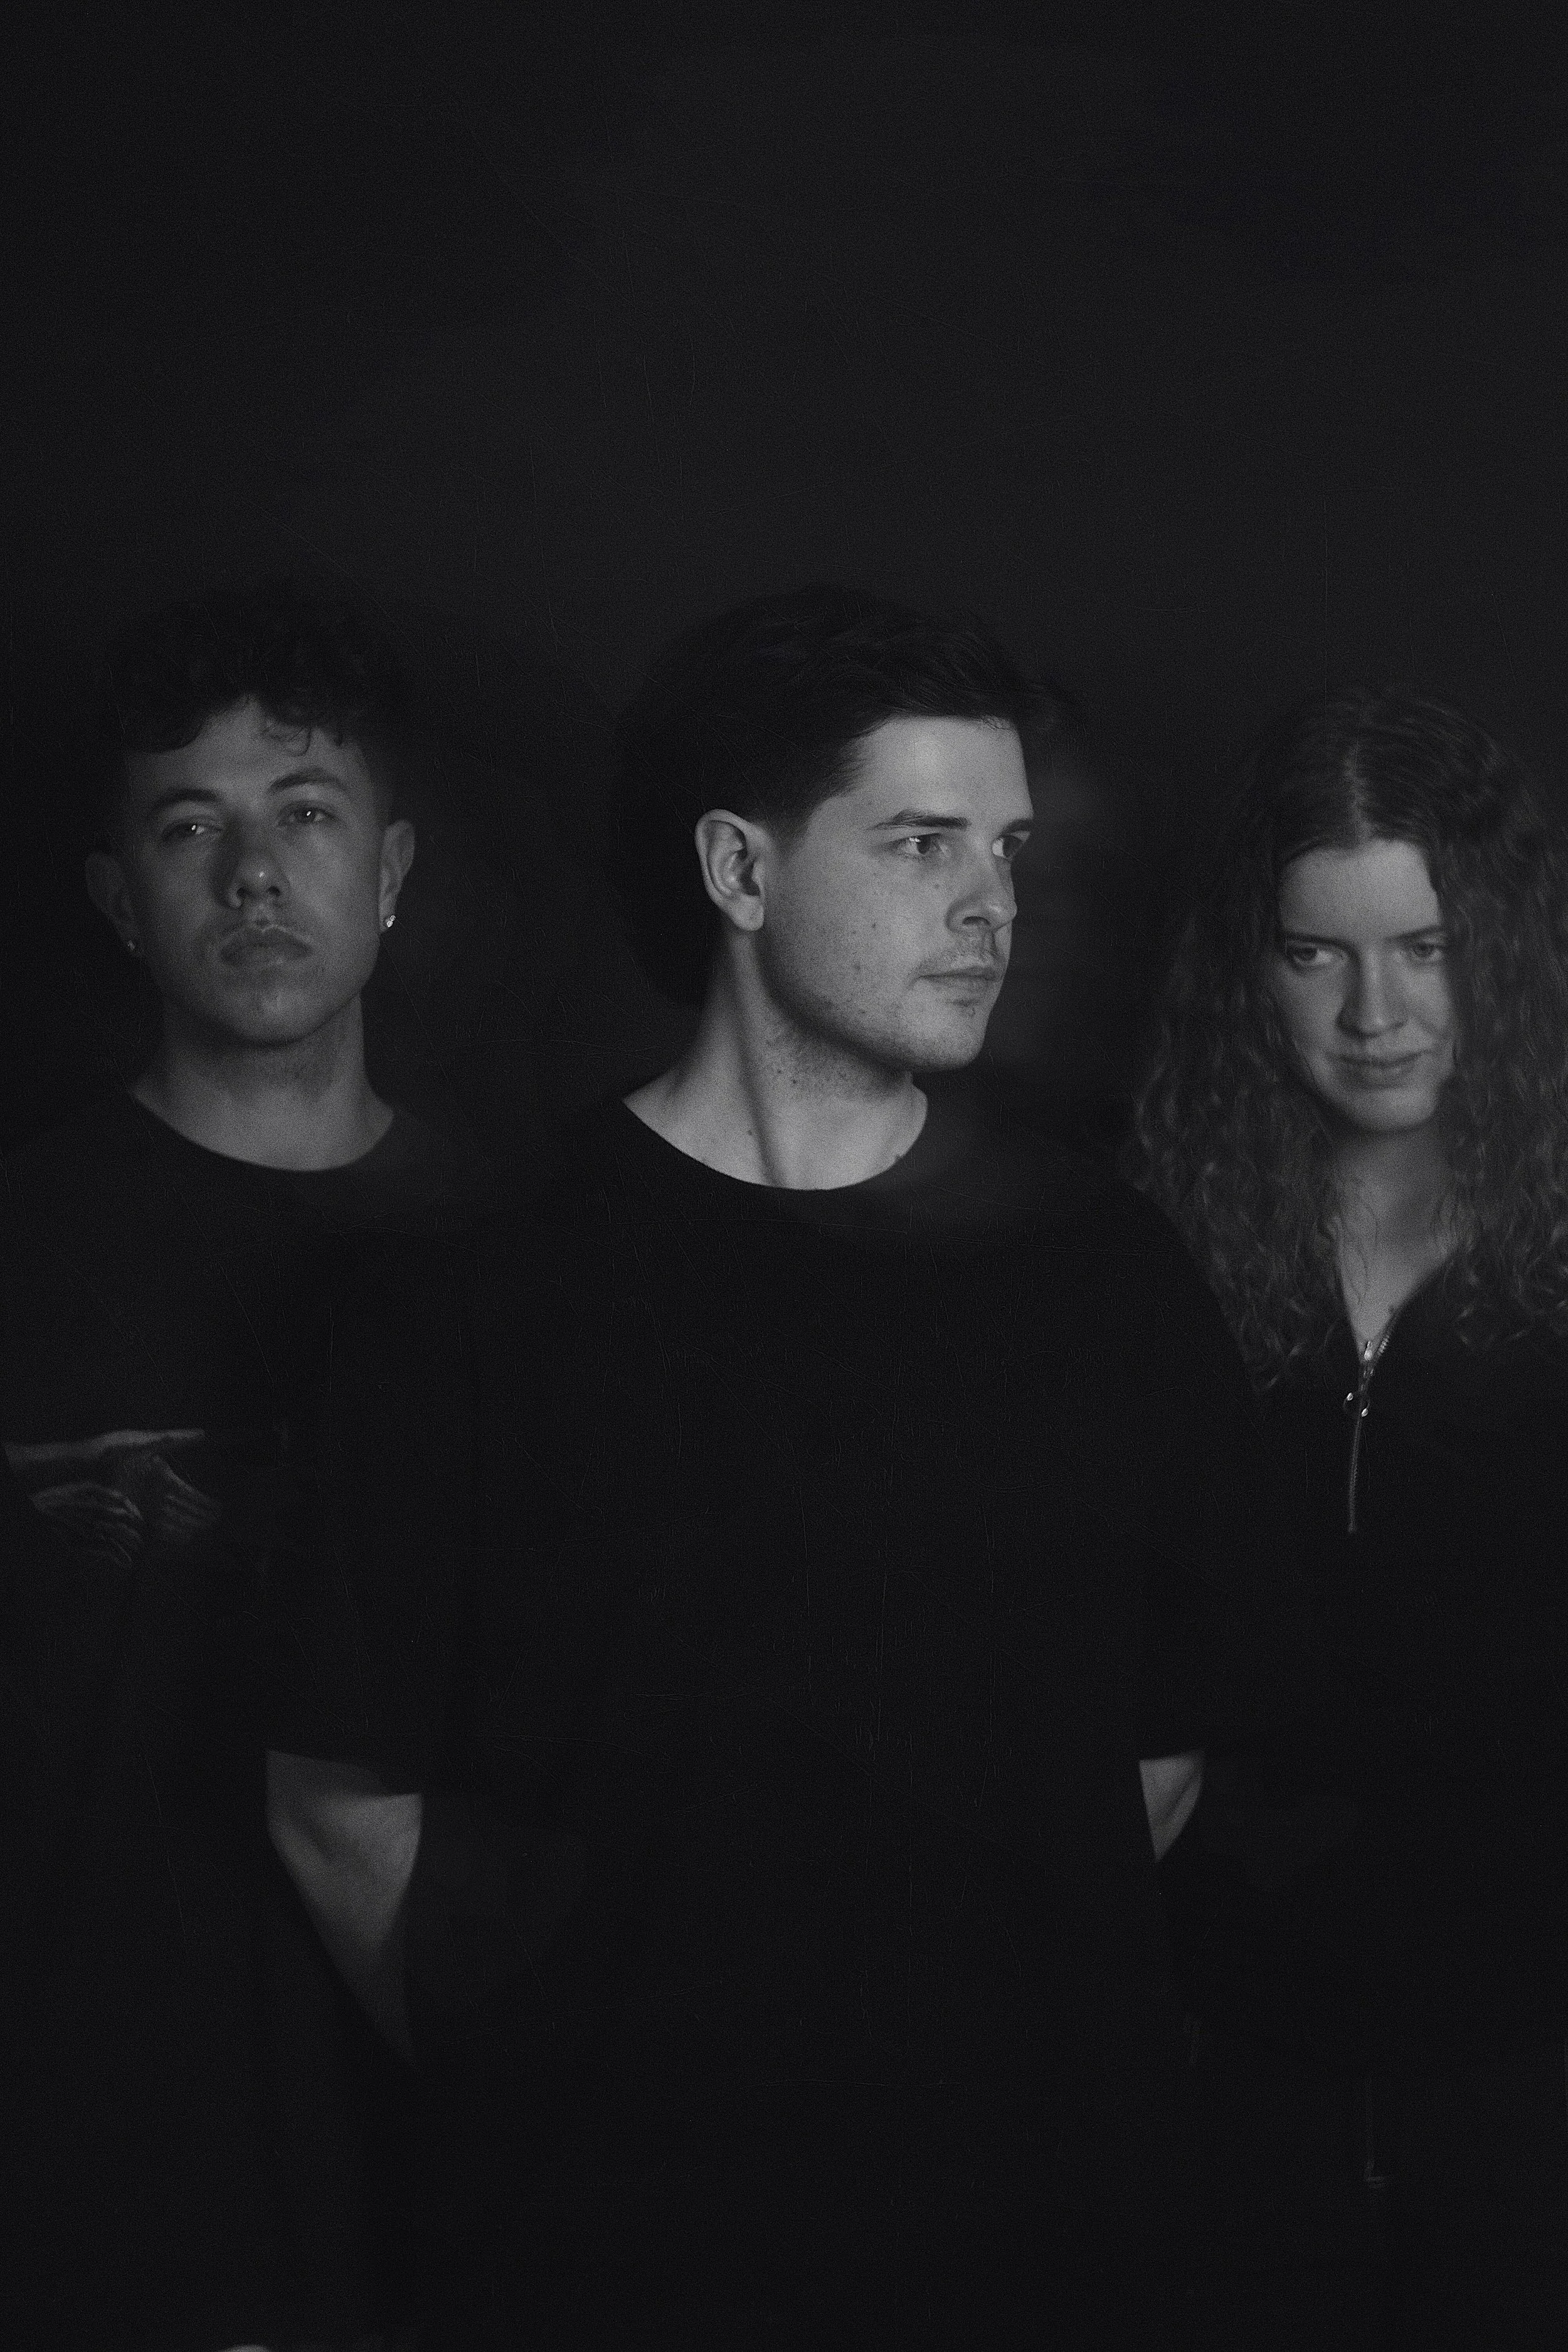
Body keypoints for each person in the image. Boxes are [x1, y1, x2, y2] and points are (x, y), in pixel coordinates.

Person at [268, 585, 1304, 2349]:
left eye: (1003, 844)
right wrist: (567, 2094)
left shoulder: (1098, 1271)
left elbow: (1166, 1741)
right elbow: (338, 1792)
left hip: (1026, 2255)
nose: (989, 903)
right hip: (594, 2262)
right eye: (919, 842)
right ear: (740, 874)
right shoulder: (475, 1292)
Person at [0, 580, 486, 2352]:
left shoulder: (520, 1261)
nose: (256, 876)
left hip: (445, 2186)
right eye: (190, 826)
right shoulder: (24, 1249)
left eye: (306, 815)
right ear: (115, 898)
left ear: (394, 868)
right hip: (86, 2190)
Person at [1134, 687, 1568, 2351]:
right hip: (1225, 2070)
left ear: (1504, 959)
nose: (1375, 1007)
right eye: (1317, 954)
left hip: (1526, 2076)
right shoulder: (1155, 1268)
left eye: (1424, 947)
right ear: (1251, 977)